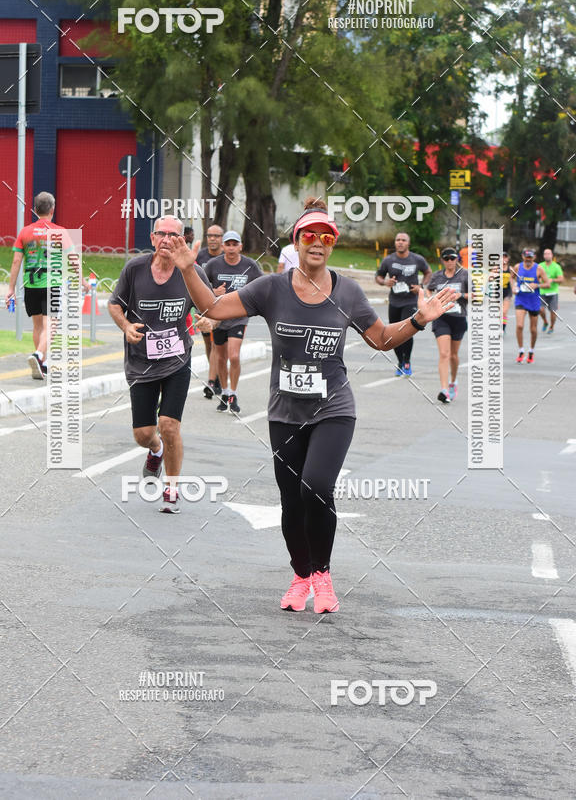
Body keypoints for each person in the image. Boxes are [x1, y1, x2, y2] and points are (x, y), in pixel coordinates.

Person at [170, 203, 458, 613]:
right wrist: (186, 269)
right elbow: (214, 310)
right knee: (291, 500)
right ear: (297, 242)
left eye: (327, 237)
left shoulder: (347, 292)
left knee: (317, 486)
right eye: (310, 235)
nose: (318, 243)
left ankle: (322, 576)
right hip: (284, 412)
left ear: (333, 245)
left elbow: (379, 339)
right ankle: (300, 575)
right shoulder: (271, 288)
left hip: (333, 408)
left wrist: (418, 319)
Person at [108, 216, 211, 513]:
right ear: (152, 239)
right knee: (143, 434)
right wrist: (126, 326)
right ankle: (156, 450)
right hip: (141, 362)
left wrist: (209, 319)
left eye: (173, 235)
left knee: (169, 425)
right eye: (161, 234)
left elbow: (211, 308)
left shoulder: (191, 271)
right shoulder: (135, 269)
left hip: (177, 359)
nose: (166, 240)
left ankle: (172, 489)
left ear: (183, 241)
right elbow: (114, 304)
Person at [5, 191, 89, 379]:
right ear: (52, 209)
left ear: (35, 210)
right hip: (53, 284)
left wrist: (10, 289)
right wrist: (82, 281)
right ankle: (39, 355)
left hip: (31, 285)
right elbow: (73, 258)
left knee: (38, 326)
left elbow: (16, 262)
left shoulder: (25, 232)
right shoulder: (59, 231)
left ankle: (40, 365)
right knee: (51, 325)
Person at [203, 230, 262, 414]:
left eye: (234, 244)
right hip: (219, 318)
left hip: (239, 316)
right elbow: (201, 288)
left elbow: (261, 287)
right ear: (223, 247)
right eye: (227, 244)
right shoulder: (213, 265)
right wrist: (214, 292)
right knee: (220, 357)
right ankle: (224, 392)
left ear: (240, 246)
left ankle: (233, 393)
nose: (230, 248)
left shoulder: (250, 265)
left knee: (234, 356)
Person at [375, 232, 432, 376]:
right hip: (394, 301)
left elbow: (428, 272)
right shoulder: (389, 260)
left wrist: (421, 286)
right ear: (395, 243)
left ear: (408, 243)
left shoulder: (417, 259)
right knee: (393, 334)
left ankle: (407, 361)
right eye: (398, 240)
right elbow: (379, 276)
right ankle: (400, 361)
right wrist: (385, 282)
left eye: (403, 240)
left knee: (407, 331)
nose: (400, 242)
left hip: (411, 301)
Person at [426, 248, 470, 403]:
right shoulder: (437, 276)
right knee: (444, 353)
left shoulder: (464, 275)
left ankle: (453, 381)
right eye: (446, 259)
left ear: (457, 259)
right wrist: (431, 299)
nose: (450, 261)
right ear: (442, 261)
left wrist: (461, 295)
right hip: (441, 318)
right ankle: (444, 389)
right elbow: (429, 290)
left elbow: (478, 295)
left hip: (459, 318)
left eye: (452, 258)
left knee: (453, 355)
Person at [195, 224, 224, 398]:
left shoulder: (227, 254)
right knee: (208, 344)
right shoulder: (200, 256)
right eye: (209, 235)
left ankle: (213, 380)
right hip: (203, 306)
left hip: (223, 307)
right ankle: (216, 376)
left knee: (216, 344)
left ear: (222, 238)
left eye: (216, 236)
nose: (212, 238)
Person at [511, 248, 550, 364]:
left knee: (533, 329)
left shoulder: (539, 269)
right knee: (519, 326)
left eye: (530, 258)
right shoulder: (518, 267)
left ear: (534, 258)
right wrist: (513, 287)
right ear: (523, 257)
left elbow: (547, 284)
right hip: (521, 300)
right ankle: (521, 350)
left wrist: (536, 285)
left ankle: (531, 351)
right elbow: (511, 278)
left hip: (534, 301)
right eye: (526, 258)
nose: (528, 260)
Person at [539, 248, 564, 334]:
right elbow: (536, 276)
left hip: (553, 292)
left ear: (552, 255)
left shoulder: (557, 266)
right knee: (540, 309)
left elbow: (561, 279)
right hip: (542, 291)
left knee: (553, 312)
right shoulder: (540, 265)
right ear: (543, 255)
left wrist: (552, 280)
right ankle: (545, 322)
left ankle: (552, 326)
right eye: (545, 254)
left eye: (549, 254)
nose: (547, 255)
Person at [502, 251, 512, 333]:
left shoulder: (510, 269)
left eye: (505, 257)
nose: (503, 259)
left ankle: (503, 328)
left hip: (507, 292)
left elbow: (513, 281)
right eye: (501, 257)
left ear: (508, 259)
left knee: (504, 311)